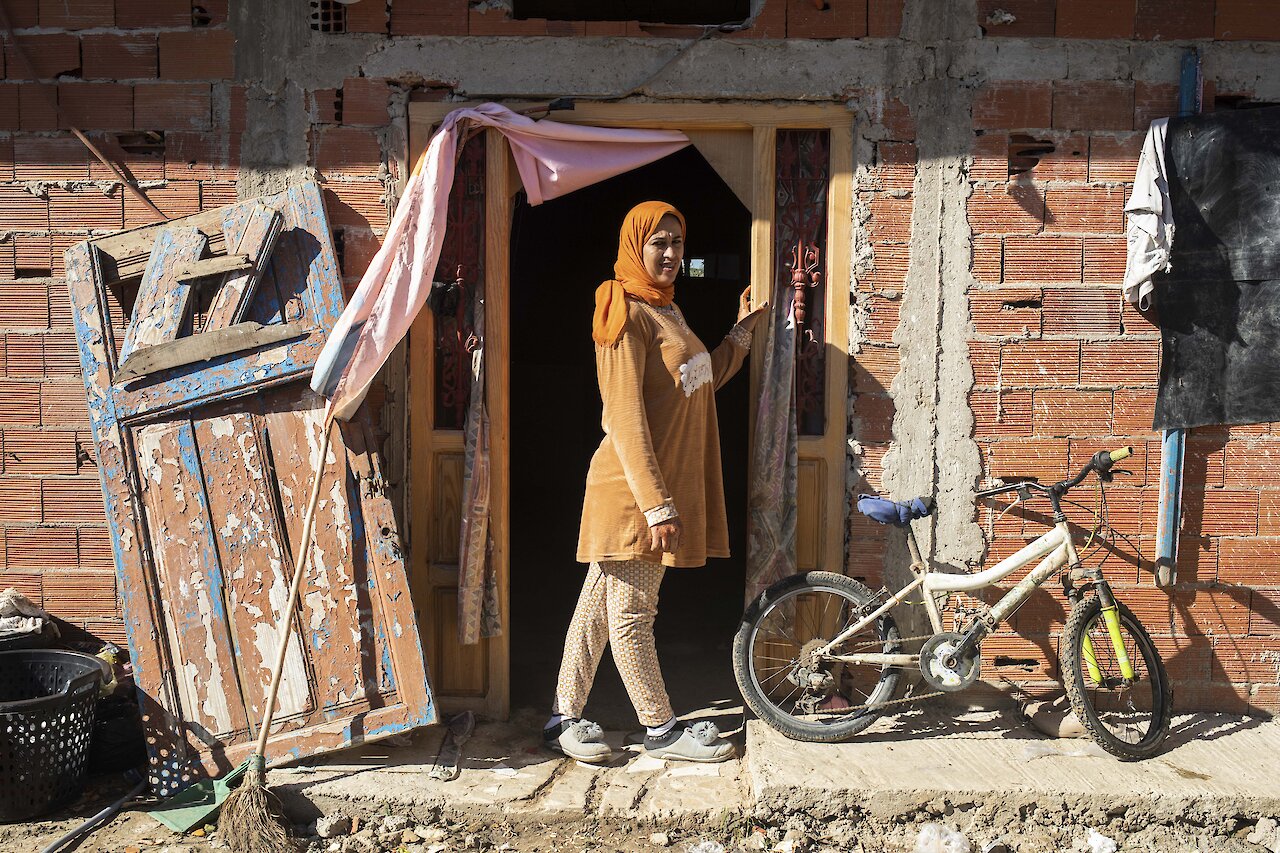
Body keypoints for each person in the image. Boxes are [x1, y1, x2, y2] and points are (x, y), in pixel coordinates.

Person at [542, 200, 766, 764]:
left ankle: (562, 718)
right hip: (631, 492)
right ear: (634, 245)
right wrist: (658, 506)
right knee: (632, 617)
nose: (669, 254)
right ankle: (661, 730)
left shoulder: (668, 311)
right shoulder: (623, 311)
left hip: (644, 493)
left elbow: (695, 386)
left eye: (677, 243)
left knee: (596, 610)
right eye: (658, 242)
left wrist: (738, 338)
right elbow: (623, 416)